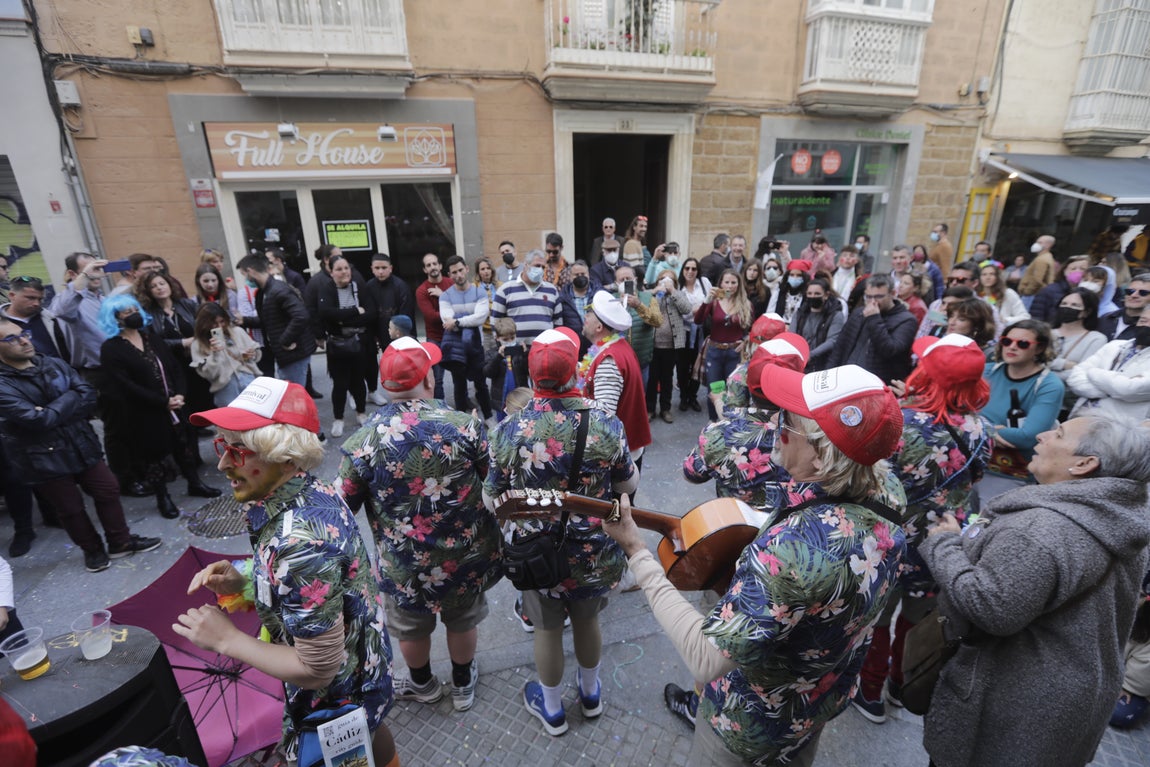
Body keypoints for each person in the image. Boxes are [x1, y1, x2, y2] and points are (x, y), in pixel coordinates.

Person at [605, 362, 907, 766]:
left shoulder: (792, 550)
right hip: (816, 704)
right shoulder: (888, 490)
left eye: (788, 421)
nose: (774, 425)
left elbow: (704, 656)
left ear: (821, 459)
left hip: (750, 724)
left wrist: (637, 552)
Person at [181, 378, 397, 766]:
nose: (223, 463)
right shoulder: (309, 490)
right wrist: (246, 581)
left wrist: (227, 639)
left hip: (336, 695)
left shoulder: (297, 543)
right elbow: (324, 585)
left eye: (238, 450)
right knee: (371, 727)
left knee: (359, 731)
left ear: (284, 454)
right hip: (365, 662)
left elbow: (317, 668)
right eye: (222, 445)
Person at [919, 415, 1150, 767]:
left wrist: (944, 546)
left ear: (1085, 464)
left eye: (1058, 434)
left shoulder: (1040, 530)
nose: (1040, 436)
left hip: (1013, 708)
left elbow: (990, 607)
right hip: (1069, 703)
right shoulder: (1119, 517)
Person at [483, 327, 638, 737]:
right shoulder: (606, 423)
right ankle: (591, 695)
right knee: (588, 622)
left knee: (548, 629)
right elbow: (627, 485)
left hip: (537, 554)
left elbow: (490, 499)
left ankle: (552, 710)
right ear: (575, 374)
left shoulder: (509, 431)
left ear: (532, 378)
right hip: (594, 551)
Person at [338, 337, 500, 713]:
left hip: (404, 565)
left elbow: (342, 507)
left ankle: (423, 684)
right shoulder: (465, 427)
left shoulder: (362, 442)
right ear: (429, 379)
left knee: (411, 628)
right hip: (465, 555)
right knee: (463, 620)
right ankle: (462, 685)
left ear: (385, 385)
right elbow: (495, 480)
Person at [854, 334, 993, 723]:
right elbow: (974, 480)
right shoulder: (981, 430)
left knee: (878, 620)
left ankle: (869, 691)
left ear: (926, 373)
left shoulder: (901, 422)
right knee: (917, 619)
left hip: (890, 538)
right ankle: (902, 683)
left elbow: (871, 476)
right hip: (941, 543)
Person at [0, 319, 162, 573]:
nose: (23, 340)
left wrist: (57, 406)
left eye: (23, 334)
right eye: (11, 338)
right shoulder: (3, 384)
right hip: (43, 457)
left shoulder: (51, 362)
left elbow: (88, 394)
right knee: (70, 509)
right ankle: (93, 550)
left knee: (108, 490)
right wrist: (70, 399)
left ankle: (120, 542)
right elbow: (37, 420)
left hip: (80, 442)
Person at [99, 294, 221, 518]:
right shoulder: (111, 348)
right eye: (126, 313)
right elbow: (125, 385)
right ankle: (162, 497)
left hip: (175, 405)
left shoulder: (151, 337)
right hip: (145, 411)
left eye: (134, 309)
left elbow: (175, 368)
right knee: (153, 455)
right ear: (114, 318)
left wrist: (180, 395)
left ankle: (195, 483)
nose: (132, 315)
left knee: (183, 446)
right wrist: (162, 402)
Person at [682, 334, 810, 508]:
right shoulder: (814, 435)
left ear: (747, 383)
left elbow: (691, 474)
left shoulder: (718, 435)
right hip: (789, 527)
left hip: (735, 522)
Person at [981, 319, 1064, 487]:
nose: (1012, 347)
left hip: (1010, 475)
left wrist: (974, 428)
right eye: (1007, 341)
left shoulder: (1049, 385)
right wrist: (989, 430)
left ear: (1039, 348)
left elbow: (1028, 436)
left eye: (1023, 344)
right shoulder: (986, 370)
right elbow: (956, 414)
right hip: (969, 463)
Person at [581, 291, 653, 469]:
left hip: (615, 458)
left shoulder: (608, 360)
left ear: (599, 327)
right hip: (624, 450)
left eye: (589, 313)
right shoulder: (614, 346)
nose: (585, 317)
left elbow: (604, 417)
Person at [315, 254, 377, 438]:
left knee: (358, 380)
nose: (344, 272)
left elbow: (371, 313)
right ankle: (338, 419)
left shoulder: (359, 286)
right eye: (339, 269)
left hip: (359, 344)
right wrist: (354, 311)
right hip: (338, 346)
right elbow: (326, 314)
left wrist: (343, 318)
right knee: (340, 384)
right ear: (331, 272)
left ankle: (361, 413)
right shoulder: (327, 289)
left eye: (346, 268)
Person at [235, 254, 317, 387]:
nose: (246, 280)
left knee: (293, 396)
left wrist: (285, 340)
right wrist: (245, 320)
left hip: (293, 354)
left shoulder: (278, 290)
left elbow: (301, 316)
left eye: (244, 275)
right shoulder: (264, 292)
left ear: (250, 271)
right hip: (286, 355)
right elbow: (268, 319)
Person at [826, 274, 918, 384]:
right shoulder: (859, 313)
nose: (872, 301)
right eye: (868, 297)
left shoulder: (907, 320)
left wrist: (874, 318)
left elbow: (890, 350)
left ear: (893, 294)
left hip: (876, 383)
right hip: (847, 377)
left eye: (878, 297)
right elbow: (840, 347)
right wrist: (829, 375)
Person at [1066, 306, 1150, 422]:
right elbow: (1075, 377)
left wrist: (1092, 372)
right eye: (1143, 320)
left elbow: (1128, 389)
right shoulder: (1115, 345)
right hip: (1080, 416)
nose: (1146, 326)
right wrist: (1111, 390)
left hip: (1117, 429)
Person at [439, 255, 493, 420]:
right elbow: (446, 320)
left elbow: (480, 318)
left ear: (467, 269)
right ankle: (462, 422)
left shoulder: (479, 292)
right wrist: (461, 320)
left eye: (461, 270)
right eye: (454, 272)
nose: (459, 275)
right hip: (456, 348)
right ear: (449, 275)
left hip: (476, 346)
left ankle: (489, 418)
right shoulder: (445, 296)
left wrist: (457, 320)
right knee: (459, 386)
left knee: (481, 385)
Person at [695, 269, 752, 421]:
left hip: (734, 353)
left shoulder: (745, 304)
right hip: (714, 351)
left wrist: (746, 340)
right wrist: (707, 299)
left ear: (738, 284)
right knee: (715, 389)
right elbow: (698, 320)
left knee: (733, 390)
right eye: (726, 282)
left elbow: (752, 329)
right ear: (720, 283)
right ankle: (714, 422)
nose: (730, 286)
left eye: (733, 282)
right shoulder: (714, 302)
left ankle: (730, 421)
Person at [1049, 287, 1108, 417]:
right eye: (1064, 304)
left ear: (1086, 312)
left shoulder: (1096, 339)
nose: (1067, 308)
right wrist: (1063, 364)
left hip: (1065, 405)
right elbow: (1031, 361)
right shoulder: (1046, 333)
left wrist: (1045, 372)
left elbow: (1081, 373)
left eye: (1075, 305)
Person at [189, 302, 261, 407]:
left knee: (259, 417)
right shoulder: (197, 345)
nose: (219, 326)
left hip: (249, 380)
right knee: (235, 421)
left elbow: (256, 356)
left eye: (222, 321)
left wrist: (251, 354)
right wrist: (215, 355)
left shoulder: (237, 332)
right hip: (225, 389)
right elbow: (209, 375)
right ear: (204, 323)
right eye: (214, 323)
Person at [647, 267, 693, 423]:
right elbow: (647, 311)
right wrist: (656, 292)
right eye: (663, 279)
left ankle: (665, 409)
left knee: (667, 379)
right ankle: (650, 408)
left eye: (670, 280)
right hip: (653, 345)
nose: (666, 282)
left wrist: (672, 291)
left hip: (671, 346)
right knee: (652, 379)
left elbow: (687, 309)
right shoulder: (653, 295)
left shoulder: (678, 295)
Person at [491, 249, 562, 347]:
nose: (540, 269)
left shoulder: (552, 290)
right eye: (537, 266)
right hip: (515, 351)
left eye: (543, 267)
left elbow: (558, 323)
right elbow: (495, 321)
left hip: (544, 351)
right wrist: (503, 346)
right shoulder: (506, 290)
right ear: (526, 265)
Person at [414, 253, 452, 400]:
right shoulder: (422, 291)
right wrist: (451, 315)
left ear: (440, 266)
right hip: (435, 338)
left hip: (454, 334)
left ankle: (463, 403)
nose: (432, 267)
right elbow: (432, 317)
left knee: (459, 375)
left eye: (435, 264)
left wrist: (443, 296)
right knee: (437, 378)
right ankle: (440, 411)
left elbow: (460, 307)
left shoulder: (451, 283)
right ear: (425, 270)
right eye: (428, 265)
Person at [789, 277, 844, 371]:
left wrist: (810, 355)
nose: (813, 296)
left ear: (826, 295)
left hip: (822, 364)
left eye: (817, 294)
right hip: (799, 361)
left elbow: (832, 340)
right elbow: (792, 335)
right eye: (809, 293)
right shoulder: (800, 313)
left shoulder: (835, 315)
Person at [483, 317, 528, 420]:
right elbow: (487, 372)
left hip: (519, 397)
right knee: (502, 422)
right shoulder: (492, 353)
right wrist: (498, 357)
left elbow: (528, 370)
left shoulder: (520, 352)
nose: (510, 341)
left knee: (522, 422)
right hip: (501, 399)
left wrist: (525, 354)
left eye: (512, 338)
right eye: (505, 339)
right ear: (497, 338)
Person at [556, 260, 599, 358]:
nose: (580, 276)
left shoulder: (599, 295)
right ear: (570, 277)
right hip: (572, 349)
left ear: (588, 274)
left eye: (583, 274)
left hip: (597, 347)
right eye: (576, 274)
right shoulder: (562, 298)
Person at [1030, 254, 1088, 326]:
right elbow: (1036, 317)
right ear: (1064, 271)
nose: (1077, 272)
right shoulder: (1049, 291)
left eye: (1082, 269)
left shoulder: (1088, 294)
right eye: (1073, 268)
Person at [1099, 272, 1150, 341]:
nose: (1133, 295)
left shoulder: (1147, 327)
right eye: (1130, 291)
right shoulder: (1106, 318)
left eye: (1143, 293)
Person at [976, 260, 1029, 326]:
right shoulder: (976, 295)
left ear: (998, 277)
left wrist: (1005, 320)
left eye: (992, 274)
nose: (988, 277)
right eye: (984, 274)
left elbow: (1025, 317)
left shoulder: (1008, 293)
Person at [1017, 234, 1058, 304]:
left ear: (1048, 245)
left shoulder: (1042, 260)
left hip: (1032, 295)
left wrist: (1027, 291)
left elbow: (1037, 279)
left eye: (1040, 242)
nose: (1036, 244)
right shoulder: (1045, 257)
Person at [473, 256, 501, 351]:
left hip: (499, 329)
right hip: (482, 330)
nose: (486, 271)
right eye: (482, 269)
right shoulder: (474, 287)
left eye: (488, 268)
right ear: (478, 272)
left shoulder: (500, 285)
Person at [776, 259, 811, 324]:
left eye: (799, 275)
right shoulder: (781, 291)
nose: (795, 278)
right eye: (792, 275)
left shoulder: (808, 294)